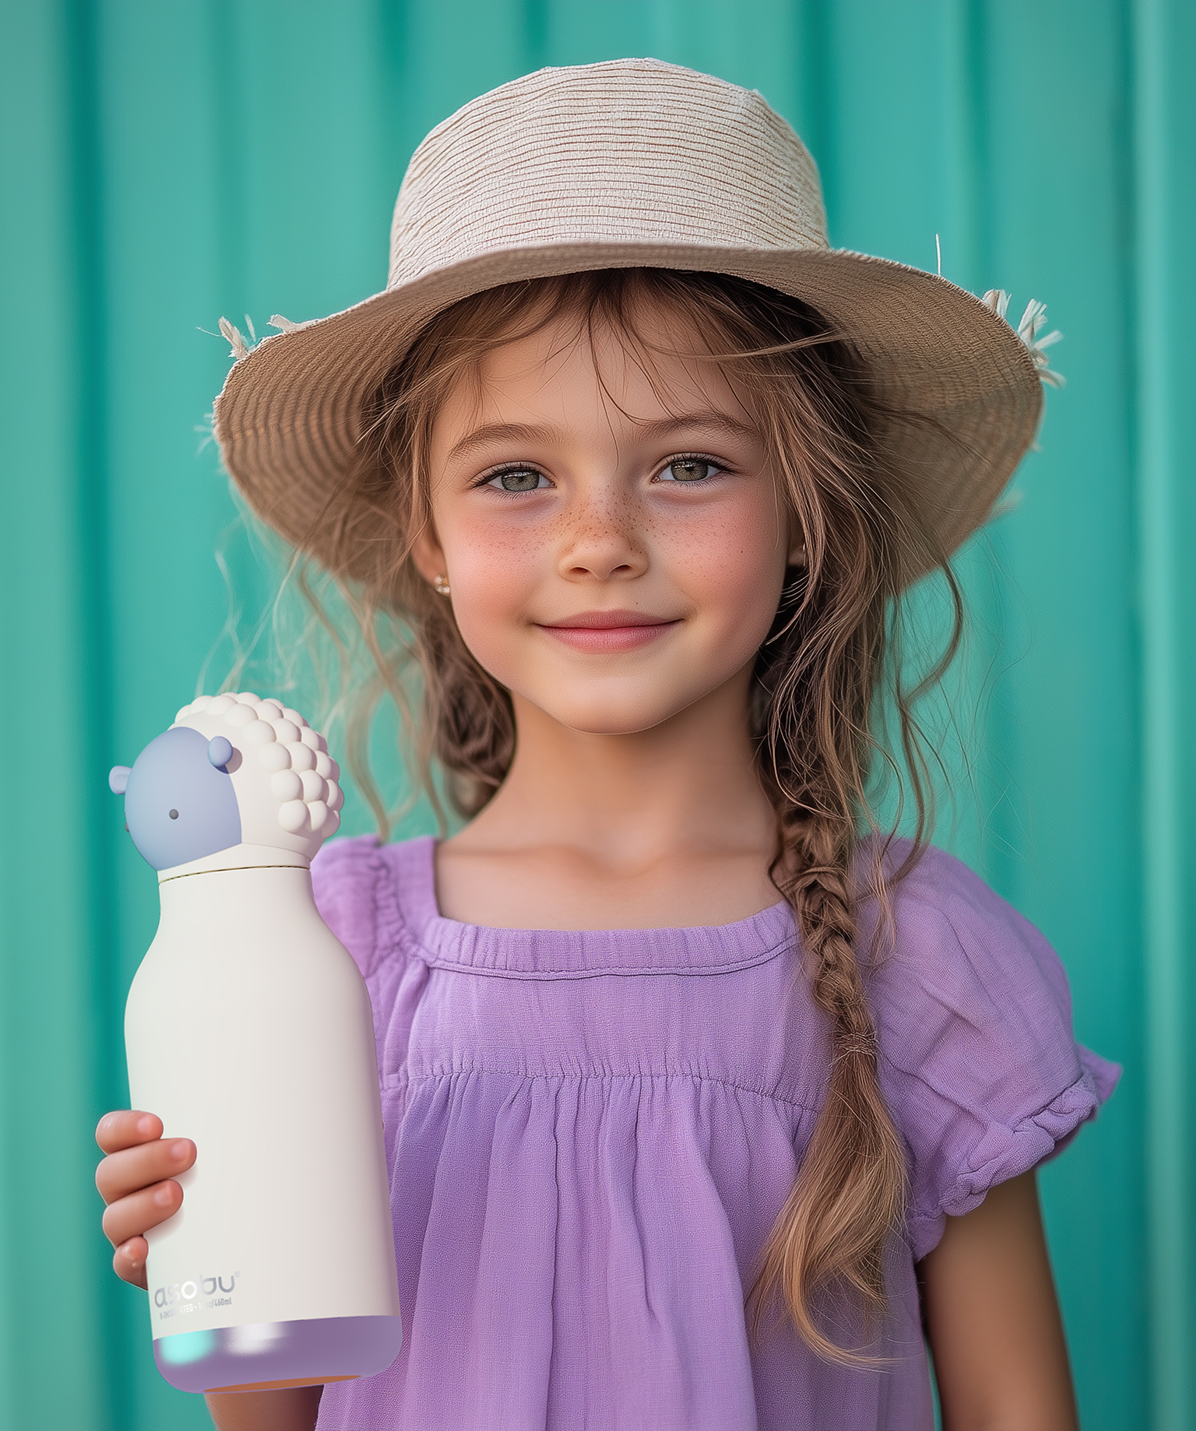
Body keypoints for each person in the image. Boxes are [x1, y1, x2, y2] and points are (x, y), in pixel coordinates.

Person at [94, 59, 1118, 1431]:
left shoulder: (917, 953)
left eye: (690, 463)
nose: (598, 541)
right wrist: (216, 1261)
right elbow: (279, 1411)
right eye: (516, 475)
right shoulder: (329, 952)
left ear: (807, 512)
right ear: (426, 533)